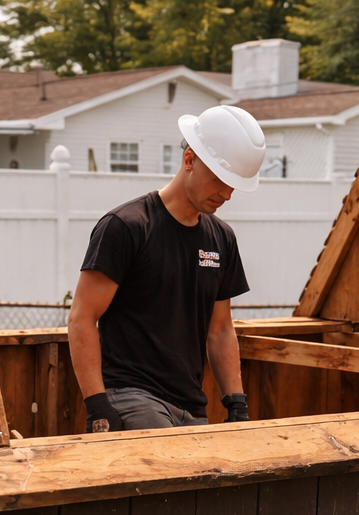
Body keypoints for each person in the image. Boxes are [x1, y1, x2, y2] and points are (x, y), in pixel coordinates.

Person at [69, 105, 266, 432]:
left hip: (192, 406)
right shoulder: (126, 227)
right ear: (189, 160)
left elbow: (220, 329)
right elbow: (81, 318)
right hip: (132, 397)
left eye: (234, 185)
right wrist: (98, 406)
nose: (227, 194)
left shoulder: (222, 239)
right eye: (220, 180)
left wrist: (236, 402)